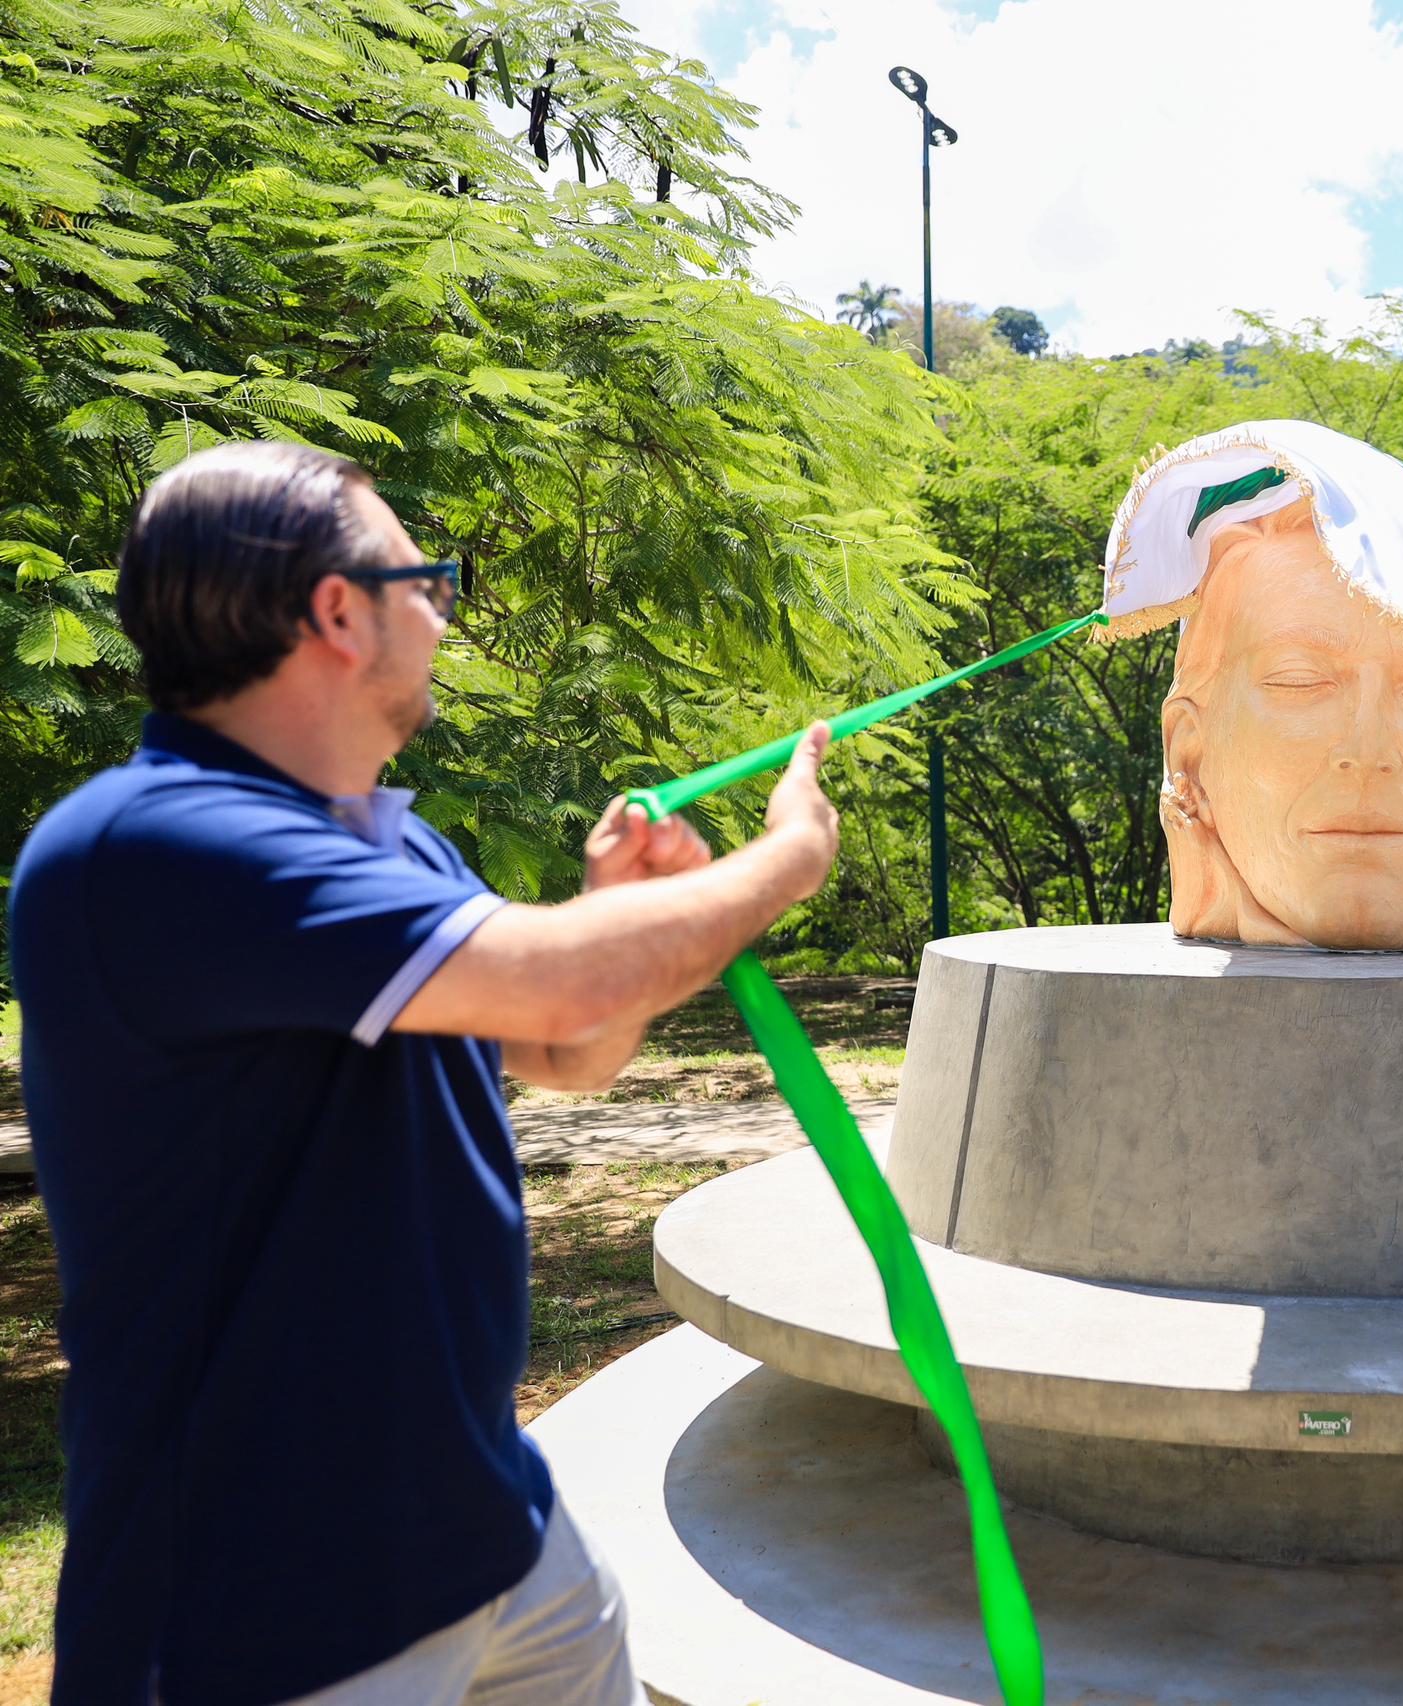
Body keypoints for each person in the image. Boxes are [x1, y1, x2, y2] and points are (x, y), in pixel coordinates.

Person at [10, 444, 845, 1703]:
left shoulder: (392, 841)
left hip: (488, 1525)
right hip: (267, 1605)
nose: (445, 615)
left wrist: (607, 918)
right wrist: (785, 861)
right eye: (428, 581)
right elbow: (560, 984)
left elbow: (567, 1045)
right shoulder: (151, 841)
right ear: (338, 611)